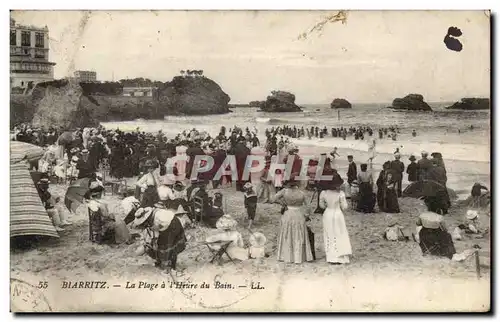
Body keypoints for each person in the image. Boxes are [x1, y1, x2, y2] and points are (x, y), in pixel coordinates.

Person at [133, 204, 187, 274]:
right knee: (160, 244)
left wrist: (157, 228)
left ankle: (170, 266)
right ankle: (162, 262)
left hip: (173, 225)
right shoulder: (150, 220)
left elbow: (164, 224)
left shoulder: (159, 215)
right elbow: (152, 233)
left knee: (169, 246)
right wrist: (152, 241)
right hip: (164, 228)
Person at [272, 175, 314, 264]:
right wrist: (306, 215)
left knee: (287, 233)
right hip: (298, 213)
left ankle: (286, 255)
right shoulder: (301, 193)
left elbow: (273, 198)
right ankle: (298, 256)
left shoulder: (284, 191)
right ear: (297, 183)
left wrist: (283, 204)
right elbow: (308, 206)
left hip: (288, 213)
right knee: (298, 234)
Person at [318, 173, 352, 264]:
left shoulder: (323, 193)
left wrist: (327, 205)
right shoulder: (340, 194)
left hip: (328, 213)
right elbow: (345, 207)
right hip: (337, 214)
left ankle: (331, 256)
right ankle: (340, 255)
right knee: (339, 233)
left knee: (329, 233)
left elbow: (321, 206)